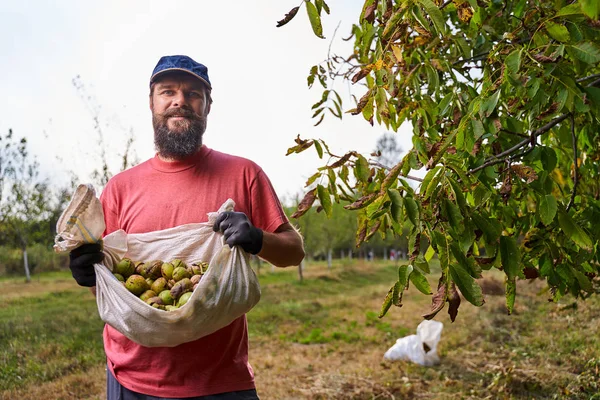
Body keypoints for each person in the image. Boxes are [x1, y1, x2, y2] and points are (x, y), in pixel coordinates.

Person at [68, 55, 305, 400]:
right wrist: (90, 275)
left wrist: (256, 238)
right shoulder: (120, 187)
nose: (180, 101)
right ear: (151, 102)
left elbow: (294, 252)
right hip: (131, 379)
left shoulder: (244, 174)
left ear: (208, 106)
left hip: (220, 381)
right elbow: (113, 290)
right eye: (168, 92)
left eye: (194, 93)